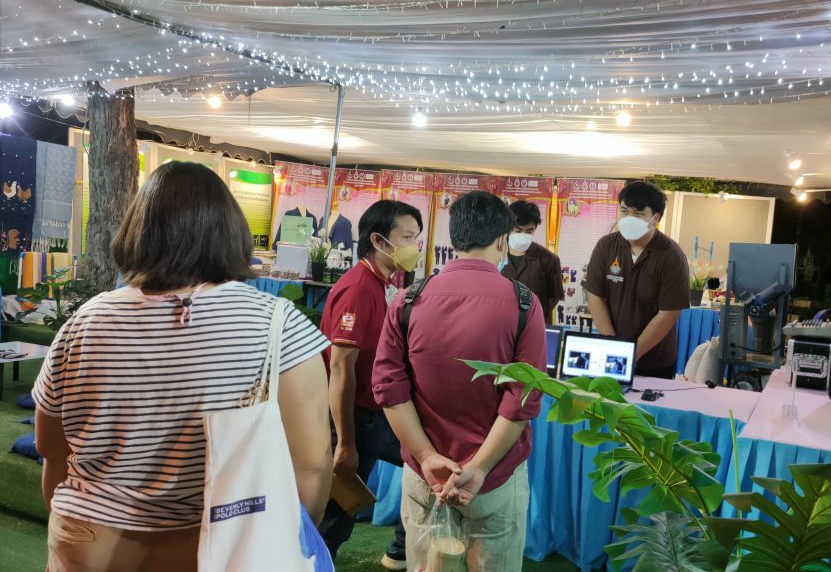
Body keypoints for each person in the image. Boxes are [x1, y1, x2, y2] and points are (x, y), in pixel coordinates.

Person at [33, 162, 332, 572]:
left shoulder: (85, 321)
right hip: (218, 544)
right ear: (231, 231)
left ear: (138, 230)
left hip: (88, 538)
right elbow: (312, 465)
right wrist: (283, 539)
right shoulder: (278, 325)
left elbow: (50, 447)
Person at [372, 190, 545, 572]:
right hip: (494, 479)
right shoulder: (523, 303)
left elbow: (388, 389)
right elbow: (523, 400)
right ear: (502, 241)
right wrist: (479, 468)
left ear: (454, 238)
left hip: (427, 478)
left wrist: (426, 456)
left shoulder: (408, 300)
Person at [317, 199, 423, 569]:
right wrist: (345, 442)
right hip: (353, 418)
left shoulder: (382, 284)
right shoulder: (359, 289)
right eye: (406, 237)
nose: (414, 247)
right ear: (378, 240)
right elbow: (341, 370)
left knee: (421, 462)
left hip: (375, 414)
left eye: (416, 238)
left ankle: (401, 546)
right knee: (336, 513)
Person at [583, 180, 690, 379]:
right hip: (611, 350)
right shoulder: (606, 246)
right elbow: (595, 295)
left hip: (654, 360)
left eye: (638, 214)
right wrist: (614, 346)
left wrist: (631, 355)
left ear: (655, 218)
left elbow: (669, 313)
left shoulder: (671, 256)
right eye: (624, 211)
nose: (628, 219)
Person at [501, 200, 564, 324]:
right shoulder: (494, 255)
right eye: (518, 231)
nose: (523, 235)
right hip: (500, 325)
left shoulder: (549, 260)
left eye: (529, 231)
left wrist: (534, 315)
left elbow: (554, 296)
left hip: (534, 324)